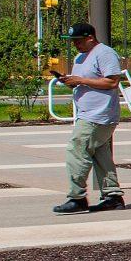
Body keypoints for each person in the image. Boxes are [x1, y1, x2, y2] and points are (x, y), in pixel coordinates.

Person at [52, 22, 126, 214]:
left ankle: (77, 198)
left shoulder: (105, 53)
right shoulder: (81, 57)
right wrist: (70, 81)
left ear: (90, 38)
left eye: (78, 40)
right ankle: (113, 196)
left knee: (76, 151)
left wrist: (81, 80)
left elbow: (112, 81)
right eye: (72, 41)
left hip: (98, 115)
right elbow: (84, 81)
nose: (75, 44)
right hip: (87, 114)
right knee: (101, 156)